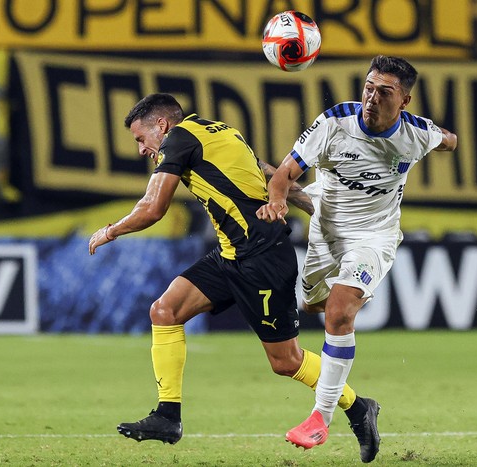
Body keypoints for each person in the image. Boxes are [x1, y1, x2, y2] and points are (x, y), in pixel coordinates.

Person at [88, 93, 381, 458]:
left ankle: (358, 407)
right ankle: (168, 415)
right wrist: (314, 207)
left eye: (140, 138)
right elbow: (270, 175)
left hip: (261, 258)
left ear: (161, 126)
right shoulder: (219, 131)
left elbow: (153, 208)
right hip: (231, 254)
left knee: (286, 361)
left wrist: (110, 231)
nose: (142, 149)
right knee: (165, 311)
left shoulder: (179, 140)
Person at [257, 55, 458, 462]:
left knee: (338, 313)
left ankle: (320, 418)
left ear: (405, 100)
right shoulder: (334, 123)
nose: (372, 97)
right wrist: (278, 199)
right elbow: (282, 174)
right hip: (326, 229)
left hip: (374, 237)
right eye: (368, 86)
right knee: (312, 305)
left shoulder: (417, 134)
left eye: (385, 92)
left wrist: (446, 138)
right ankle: (362, 408)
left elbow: (449, 140)